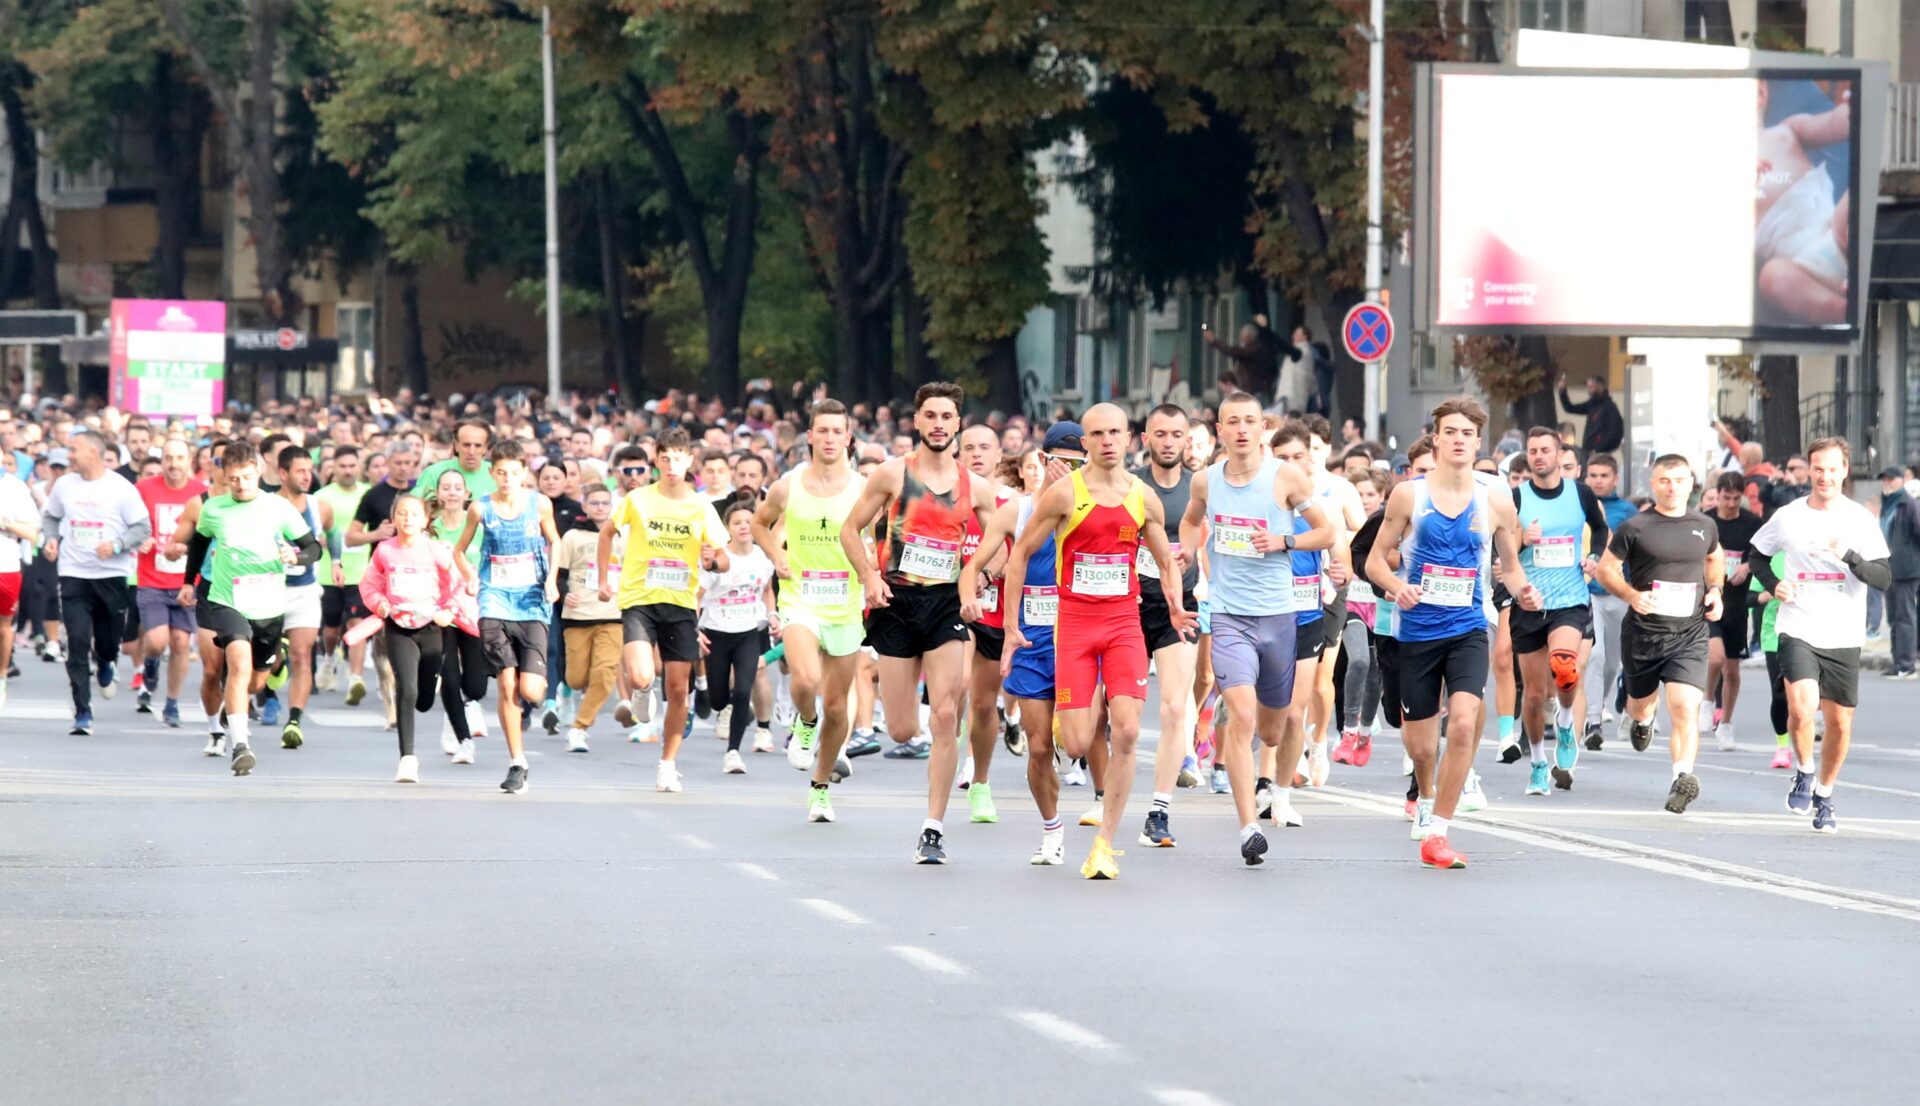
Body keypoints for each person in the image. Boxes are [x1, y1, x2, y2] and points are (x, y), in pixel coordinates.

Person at [1000, 403, 1187, 880]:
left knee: (1126, 732)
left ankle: (1104, 844)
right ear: (1084, 443)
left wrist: (1175, 603)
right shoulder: (1064, 493)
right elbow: (1020, 554)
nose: (1107, 441)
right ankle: (1074, 719)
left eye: (1114, 433)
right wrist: (1011, 625)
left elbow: (1165, 559)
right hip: (1075, 627)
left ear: (1129, 439)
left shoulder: (1143, 497)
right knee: (1079, 743)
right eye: (1097, 434)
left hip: (1124, 625)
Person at [1366, 397, 1538, 869]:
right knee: (1422, 748)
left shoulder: (1495, 498)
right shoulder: (1409, 496)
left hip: (1468, 626)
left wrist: (1525, 592)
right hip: (1416, 631)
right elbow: (1375, 561)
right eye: (1450, 432)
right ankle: (1425, 794)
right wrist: (1397, 587)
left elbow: (1511, 567)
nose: (1459, 440)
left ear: (1478, 442)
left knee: (1463, 720)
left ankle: (1439, 831)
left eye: (1467, 433)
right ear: (1436, 440)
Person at [839, 383, 998, 864]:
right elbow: (850, 529)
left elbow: (1001, 541)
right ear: (916, 421)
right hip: (897, 602)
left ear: (958, 424)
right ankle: (919, 730)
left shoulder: (976, 487)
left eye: (947, 417)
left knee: (945, 715)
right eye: (930, 415)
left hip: (946, 604)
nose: (939, 424)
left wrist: (981, 576)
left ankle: (933, 828)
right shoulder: (893, 473)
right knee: (904, 729)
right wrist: (868, 575)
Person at [1179, 391, 1333, 866]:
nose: (1242, 429)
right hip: (1229, 615)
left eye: (1250, 421)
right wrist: (1185, 553)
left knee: (1271, 729)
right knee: (1242, 717)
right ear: (1219, 430)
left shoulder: (1284, 476)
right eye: (1233, 422)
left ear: (1261, 428)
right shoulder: (1205, 480)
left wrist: (1284, 541)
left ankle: (1266, 771)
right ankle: (1249, 827)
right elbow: (1189, 523)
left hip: (1279, 617)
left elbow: (1326, 532)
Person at [1749, 437, 1892, 833]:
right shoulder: (1788, 516)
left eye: (1832, 469)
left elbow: (1883, 577)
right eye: (1818, 469)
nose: (1824, 476)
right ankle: (1804, 771)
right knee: (1801, 706)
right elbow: (1756, 555)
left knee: (1840, 723)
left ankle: (1825, 794)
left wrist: (1849, 556)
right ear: (1809, 471)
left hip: (1843, 632)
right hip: (1798, 625)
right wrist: (1774, 584)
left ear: (1844, 471)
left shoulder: (1859, 519)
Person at [961, 425, 1083, 864]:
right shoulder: (1018, 509)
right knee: (1038, 746)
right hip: (1031, 637)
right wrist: (969, 594)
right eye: (1060, 462)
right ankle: (1052, 829)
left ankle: (1074, 747)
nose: (1067, 471)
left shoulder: (1097, 505)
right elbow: (977, 562)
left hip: (1079, 635)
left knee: (1077, 741)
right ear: (1043, 461)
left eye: (1077, 464)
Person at [599, 428, 729, 794]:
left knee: (677, 689)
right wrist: (604, 579)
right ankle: (641, 691)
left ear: (690, 461)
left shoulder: (701, 506)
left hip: (680, 603)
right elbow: (607, 533)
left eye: (678, 458)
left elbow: (723, 559)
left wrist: (712, 561)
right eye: (665, 458)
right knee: (641, 675)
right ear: (656, 461)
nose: (671, 465)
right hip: (639, 598)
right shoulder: (638, 499)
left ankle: (667, 765)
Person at [754, 400, 866, 824]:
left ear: (848, 437)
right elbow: (760, 524)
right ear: (810, 436)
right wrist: (776, 555)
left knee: (838, 707)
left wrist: (874, 574)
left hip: (845, 603)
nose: (830, 439)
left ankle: (820, 788)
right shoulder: (788, 486)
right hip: (800, 597)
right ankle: (805, 720)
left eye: (838, 431)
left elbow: (880, 537)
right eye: (823, 431)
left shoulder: (863, 488)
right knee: (805, 678)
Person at [1596, 455, 1726, 814]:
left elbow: (1715, 558)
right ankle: (1642, 720)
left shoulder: (1704, 525)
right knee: (1641, 705)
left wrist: (1716, 591)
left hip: (1689, 633)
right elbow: (1605, 570)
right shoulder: (1635, 527)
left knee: (1685, 706)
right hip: (1644, 634)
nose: (1672, 488)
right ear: (1653, 484)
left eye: (1680, 480)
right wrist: (1631, 596)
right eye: (1665, 481)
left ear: (1691, 484)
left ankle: (1682, 776)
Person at [184, 441, 322, 775]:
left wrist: (296, 557)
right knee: (238, 663)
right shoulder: (213, 509)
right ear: (224, 477)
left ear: (258, 472)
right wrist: (189, 582)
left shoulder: (278, 507)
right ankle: (240, 746)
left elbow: (313, 547)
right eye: (233, 479)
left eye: (246, 477)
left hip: (269, 606)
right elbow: (199, 543)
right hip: (227, 600)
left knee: (256, 683)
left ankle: (271, 665)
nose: (241, 485)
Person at [453, 440, 561, 797]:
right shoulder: (480, 508)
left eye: (514, 472)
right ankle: (517, 762)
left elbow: (555, 542)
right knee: (506, 684)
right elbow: (459, 550)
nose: (507, 479)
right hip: (495, 599)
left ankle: (540, 695)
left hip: (532, 601)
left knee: (530, 690)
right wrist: (470, 575)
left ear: (524, 472)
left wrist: (551, 579)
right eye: (501, 473)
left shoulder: (539, 504)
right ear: (492, 472)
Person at [1509, 427, 1610, 796]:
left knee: (1565, 666)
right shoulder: (1516, 497)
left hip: (1569, 598)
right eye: (1533, 450)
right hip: (1529, 601)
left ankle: (1566, 721)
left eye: (1545, 450)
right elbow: (1501, 548)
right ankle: (1538, 762)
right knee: (1535, 695)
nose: (1538, 456)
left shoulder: (1580, 493)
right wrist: (1523, 540)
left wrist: (1594, 557)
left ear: (1558, 454)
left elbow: (1601, 530)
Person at [40, 430, 150, 735]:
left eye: (74, 449)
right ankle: (82, 711)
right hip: (74, 574)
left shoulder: (121, 488)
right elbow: (51, 517)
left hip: (111, 575)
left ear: (93, 452)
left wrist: (116, 545)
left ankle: (106, 661)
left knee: (108, 641)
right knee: (76, 641)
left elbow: (142, 528)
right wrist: (51, 538)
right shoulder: (64, 485)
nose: (69, 455)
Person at [1130, 405, 1202, 847]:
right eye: (1161, 434)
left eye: (1177, 434)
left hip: (1181, 605)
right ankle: (1104, 792)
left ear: (1187, 439)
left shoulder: (1199, 486)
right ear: (1146, 439)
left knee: (1175, 707)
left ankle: (1159, 810)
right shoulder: (1130, 485)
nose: (1169, 442)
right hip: (1130, 604)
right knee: (1121, 714)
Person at [359, 494, 465, 783]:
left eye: (414, 514)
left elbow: (458, 583)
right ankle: (407, 759)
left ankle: (430, 686)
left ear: (425, 520)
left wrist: (449, 610)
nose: (407, 519)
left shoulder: (436, 551)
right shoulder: (384, 551)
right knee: (406, 688)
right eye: (402, 514)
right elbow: (370, 585)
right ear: (393, 518)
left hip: (432, 627)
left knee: (423, 699)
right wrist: (380, 604)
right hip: (398, 626)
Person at [954, 422, 1013, 821]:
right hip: (955, 610)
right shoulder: (949, 499)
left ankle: (980, 781)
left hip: (995, 609)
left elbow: (1016, 553)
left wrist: (986, 575)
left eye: (984, 447)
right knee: (958, 683)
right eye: (969, 447)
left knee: (985, 704)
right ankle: (949, 750)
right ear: (959, 454)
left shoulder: (1013, 504)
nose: (977, 454)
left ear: (998, 455)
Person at [699, 499, 776, 774]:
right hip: (716, 632)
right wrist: (694, 630)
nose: (744, 527)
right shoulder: (720, 560)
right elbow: (696, 596)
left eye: (748, 521)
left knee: (743, 690)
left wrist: (772, 614)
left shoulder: (762, 557)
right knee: (719, 700)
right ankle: (707, 695)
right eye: (737, 523)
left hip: (748, 632)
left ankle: (733, 752)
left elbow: (767, 590)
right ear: (727, 528)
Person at [131, 439, 204, 728]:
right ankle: (150, 664)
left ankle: (172, 703)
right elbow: (128, 523)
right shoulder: (144, 488)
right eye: (169, 458)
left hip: (187, 580)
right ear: (161, 461)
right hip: (152, 578)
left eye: (180, 458)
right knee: (157, 641)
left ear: (190, 461)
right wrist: (140, 539)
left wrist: (192, 548)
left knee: (181, 643)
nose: (174, 464)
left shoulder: (200, 493)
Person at [553, 485, 622, 753]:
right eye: (595, 503)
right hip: (578, 615)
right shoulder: (572, 537)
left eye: (605, 503)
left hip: (612, 614)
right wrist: (564, 594)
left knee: (604, 673)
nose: (600, 508)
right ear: (584, 506)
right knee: (576, 678)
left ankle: (579, 727)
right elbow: (559, 574)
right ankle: (568, 692)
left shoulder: (622, 536)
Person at [273, 445, 332, 749]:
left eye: (310, 470)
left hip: (306, 590)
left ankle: (294, 721)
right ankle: (275, 661)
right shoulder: (266, 505)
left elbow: (331, 534)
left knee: (302, 654)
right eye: (300, 471)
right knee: (268, 661)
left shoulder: (318, 507)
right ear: (283, 473)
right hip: (269, 590)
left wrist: (336, 561)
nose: (307, 476)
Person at [1580, 454, 1637, 748]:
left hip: (1617, 590)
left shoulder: (1626, 510)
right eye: (1593, 475)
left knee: (1614, 662)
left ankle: (1599, 702)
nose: (1598, 481)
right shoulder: (1579, 503)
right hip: (1587, 591)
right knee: (1596, 654)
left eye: (1604, 476)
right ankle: (1593, 721)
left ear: (1615, 479)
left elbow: (1639, 548)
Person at [1706, 470, 1764, 748]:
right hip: (1709, 599)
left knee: (1731, 670)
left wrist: (1747, 566)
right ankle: (1707, 700)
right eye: (1725, 497)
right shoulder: (1707, 521)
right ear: (1717, 494)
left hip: (1737, 603)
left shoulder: (1752, 523)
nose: (1730, 504)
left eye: (1735, 498)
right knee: (1714, 658)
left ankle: (1726, 724)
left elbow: (1764, 554)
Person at [314, 445, 369, 694]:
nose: (348, 471)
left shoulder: (368, 494)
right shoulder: (322, 496)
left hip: (361, 573)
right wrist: (333, 540)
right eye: (342, 466)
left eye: (352, 466)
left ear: (359, 467)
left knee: (357, 625)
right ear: (333, 468)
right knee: (331, 630)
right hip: (329, 572)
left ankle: (355, 678)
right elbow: (313, 534)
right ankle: (328, 659)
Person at [0, 459, 40, 708]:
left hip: (6, 566)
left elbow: (32, 533)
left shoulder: (14, 487)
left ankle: (1, 676)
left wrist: (5, 522)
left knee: (3, 627)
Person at [1876, 466, 1920, 680]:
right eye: (1884, 479)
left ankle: (1906, 664)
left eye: (1891, 479)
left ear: (1901, 481)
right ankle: (1897, 662)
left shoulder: (1909, 504)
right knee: (1894, 618)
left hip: (1906, 570)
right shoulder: (1887, 504)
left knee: (1905, 618)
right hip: (1890, 569)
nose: (1887, 482)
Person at [413, 419, 497, 502]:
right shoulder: (433, 473)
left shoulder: (497, 474)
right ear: (456, 445)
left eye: (478, 446)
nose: (471, 452)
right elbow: (412, 504)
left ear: (486, 447)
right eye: (466, 445)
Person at [1203, 323, 1280, 408]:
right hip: (1251, 390)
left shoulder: (1255, 350)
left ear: (1249, 337)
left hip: (1257, 391)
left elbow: (1233, 351)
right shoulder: (1251, 348)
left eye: (1243, 336)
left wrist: (1214, 341)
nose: (1240, 338)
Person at [1556, 374, 1624, 455]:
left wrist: (1599, 449)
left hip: (1599, 453)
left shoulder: (1609, 407)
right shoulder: (1592, 405)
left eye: (1591, 386)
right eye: (1588, 386)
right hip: (1588, 451)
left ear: (1600, 386)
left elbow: (1616, 432)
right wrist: (1562, 393)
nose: (1589, 389)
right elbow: (1569, 408)